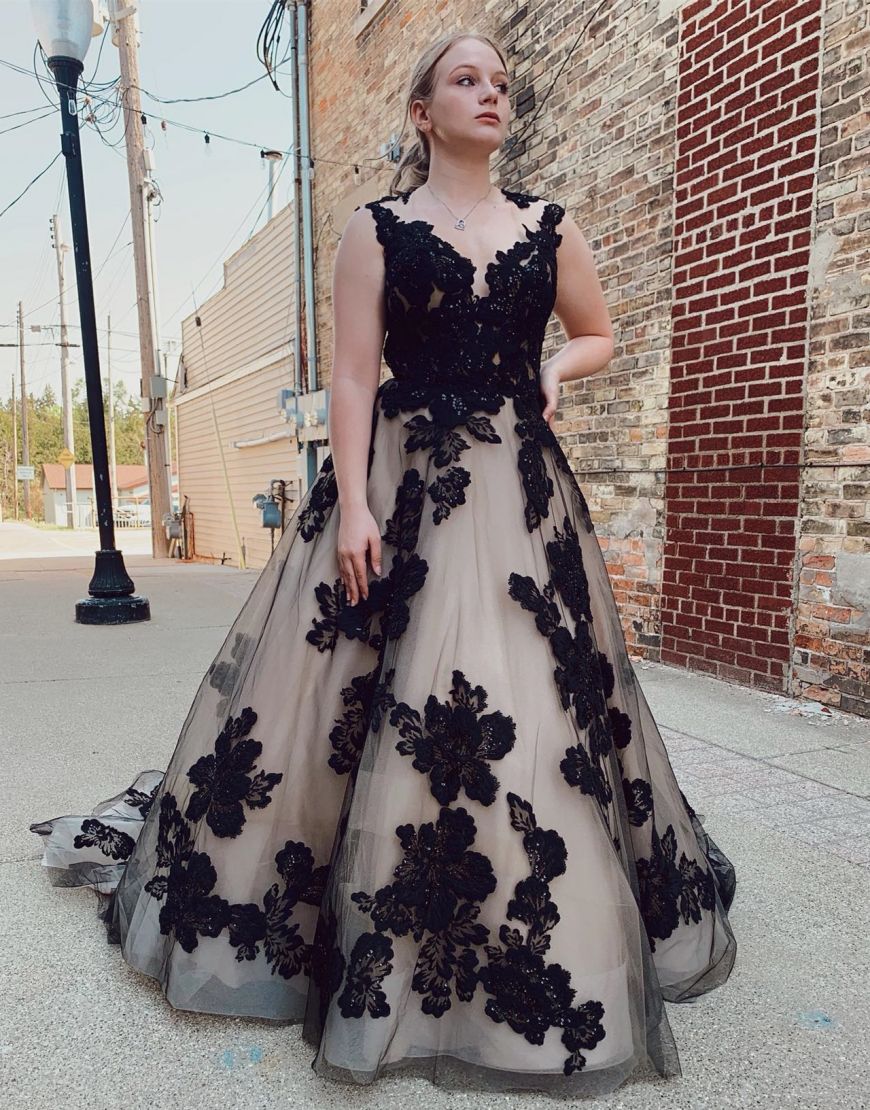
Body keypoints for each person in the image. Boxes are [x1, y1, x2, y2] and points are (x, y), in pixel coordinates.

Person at [29, 28, 737, 1097]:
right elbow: (355, 377)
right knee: (370, 704)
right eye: (466, 79)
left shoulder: (550, 224)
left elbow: (599, 331)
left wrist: (561, 364)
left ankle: (521, 926)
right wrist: (355, 503)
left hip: (518, 490)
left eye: (500, 82)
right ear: (423, 110)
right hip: (403, 486)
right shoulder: (378, 228)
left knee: (532, 705)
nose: (490, 94)